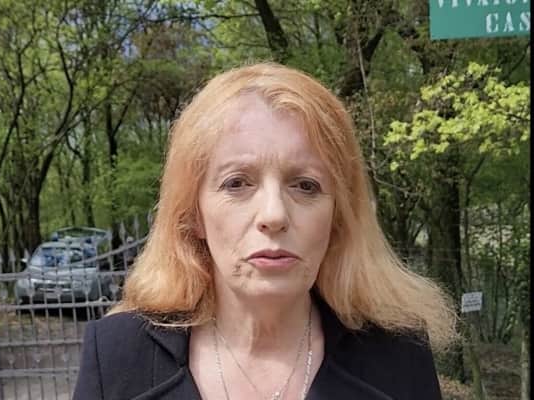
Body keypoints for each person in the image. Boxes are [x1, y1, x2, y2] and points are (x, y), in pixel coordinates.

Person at [73, 63, 457, 400]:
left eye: (305, 185)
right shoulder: (117, 358)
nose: (274, 215)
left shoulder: (400, 358)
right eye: (237, 183)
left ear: (337, 217)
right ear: (193, 214)